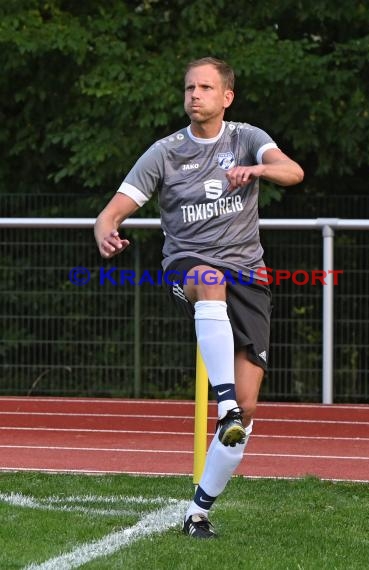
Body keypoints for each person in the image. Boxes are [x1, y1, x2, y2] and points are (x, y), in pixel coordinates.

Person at [94, 56, 304, 539]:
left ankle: (198, 511)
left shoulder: (247, 137)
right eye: (189, 87)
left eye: (206, 88)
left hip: (249, 276)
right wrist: (105, 230)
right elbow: (112, 211)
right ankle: (225, 401)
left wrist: (257, 170)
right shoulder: (164, 152)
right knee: (207, 278)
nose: (195, 95)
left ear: (225, 97)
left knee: (250, 409)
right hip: (188, 267)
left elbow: (292, 172)